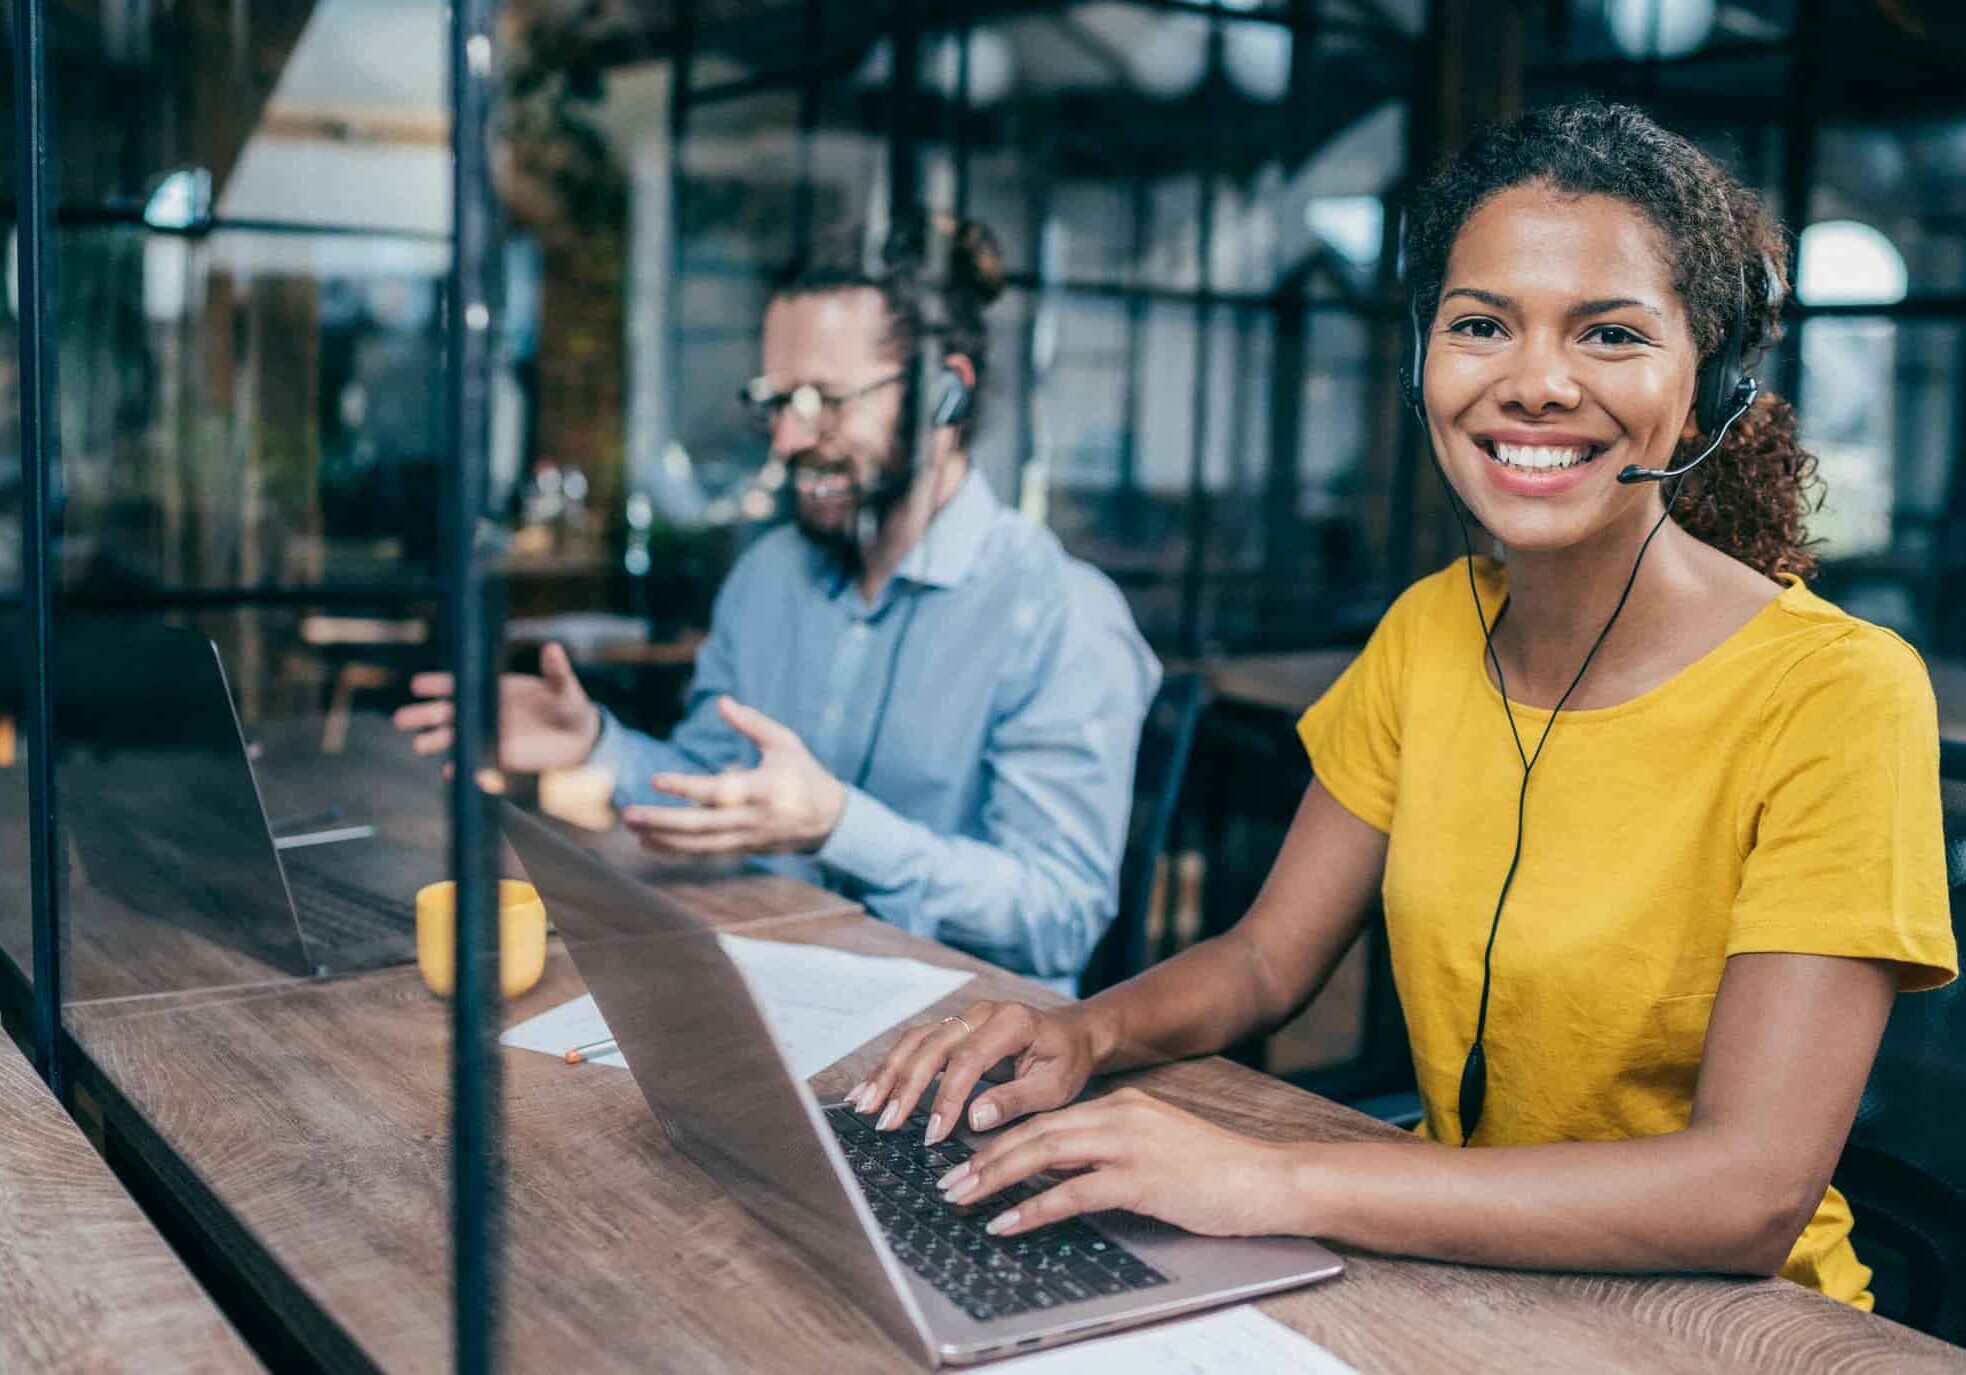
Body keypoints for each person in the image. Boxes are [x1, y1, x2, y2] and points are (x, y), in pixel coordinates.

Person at [853, 103, 1957, 1306]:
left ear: (1705, 391)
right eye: (1480, 324)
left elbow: (1746, 1194)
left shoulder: (1837, 693)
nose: (1535, 383)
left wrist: (1275, 1180)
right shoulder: (1431, 628)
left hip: (1728, 1326)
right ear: (1417, 362)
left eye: (1610, 334)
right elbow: (1267, 960)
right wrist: (1084, 1033)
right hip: (1459, 1275)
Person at [395, 213, 1160, 991]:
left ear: (944, 397)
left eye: (824, 400)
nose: (788, 440)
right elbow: (713, 783)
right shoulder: (770, 577)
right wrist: (595, 742)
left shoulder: (1061, 614)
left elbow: (1058, 913)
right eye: (778, 400)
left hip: (966, 1044)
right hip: (764, 991)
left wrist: (839, 825)